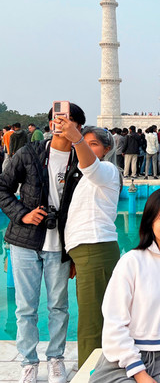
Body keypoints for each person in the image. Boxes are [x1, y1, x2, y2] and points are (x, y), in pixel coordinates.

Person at [0, 103, 86, 383]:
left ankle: (56, 359)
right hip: (25, 243)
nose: (61, 124)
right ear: (50, 124)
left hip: (60, 245)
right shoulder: (29, 154)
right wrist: (22, 214)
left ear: (78, 127)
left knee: (58, 307)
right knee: (25, 308)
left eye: (68, 119)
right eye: (57, 119)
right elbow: (2, 187)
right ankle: (28, 362)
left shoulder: (82, 161)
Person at [89, 187, 160, 383]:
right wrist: (139, 373)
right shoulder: (131, 261)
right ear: (150, 221)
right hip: (123, 359)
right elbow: (114, 321)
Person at [58, 122, 122, 368]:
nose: (86, 147)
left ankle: (91, 371)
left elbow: (90, 165)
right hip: (88, 251)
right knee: (92, 315)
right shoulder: (85, 176)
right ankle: (97, 369)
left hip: (96, 248)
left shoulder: (106, 169)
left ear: (106, 149)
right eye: (86, 143)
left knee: (92, 319)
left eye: (93, 144)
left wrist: (76, 140)